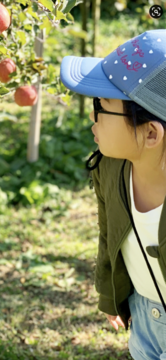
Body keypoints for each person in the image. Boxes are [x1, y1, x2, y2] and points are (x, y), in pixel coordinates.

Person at [60, 29, 166, 359]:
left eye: (101, 105)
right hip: (144, 312)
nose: (92, 117)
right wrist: (112, 297)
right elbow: (110, 236)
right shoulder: (110, 168)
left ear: (150, 133)